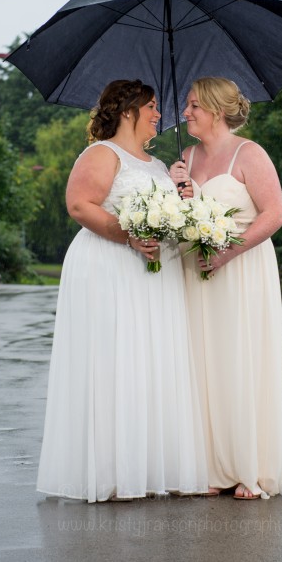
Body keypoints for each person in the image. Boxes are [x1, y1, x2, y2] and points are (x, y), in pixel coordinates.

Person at [36, 79, 208, 502]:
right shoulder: (102, 154)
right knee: (115, 359)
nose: (159, 115)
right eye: (152, 107)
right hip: (109, 268)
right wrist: (127, 235)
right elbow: (79, 205)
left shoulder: (155, 165)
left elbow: (168, 217)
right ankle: (111, 473)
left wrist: (184, 195)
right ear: (128, 110)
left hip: (154, 274)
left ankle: (145, 469)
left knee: (148, 361)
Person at [169, 77, 282, 500]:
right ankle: (210, 467)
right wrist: (178, 191)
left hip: (240, 271)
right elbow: (182, 218)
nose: (185, 113)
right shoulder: (185, 157)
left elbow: (275, 215)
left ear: (217, 111)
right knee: (202, 365)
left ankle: (248, 469)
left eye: (193, 106)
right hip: (195, 271)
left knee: (240, 361)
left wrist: (227, 251)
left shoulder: (249, 153)